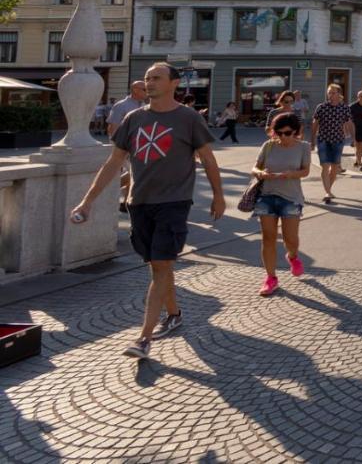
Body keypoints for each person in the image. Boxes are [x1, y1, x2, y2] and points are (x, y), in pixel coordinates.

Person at [68, 63, 224, 360]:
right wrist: (87, 201)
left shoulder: (188, 118)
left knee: (162, 265)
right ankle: (174, 314)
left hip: (174, 202)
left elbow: (207, 158)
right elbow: (113, 163)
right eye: (147, 78)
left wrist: (219, 196)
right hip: (139, 202)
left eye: (156, 78)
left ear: (174, 83)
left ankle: (144, 338)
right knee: (157, 267)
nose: (149, 83)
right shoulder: (133, 118)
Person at [253, 112, 312, 296]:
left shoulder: (303, 147)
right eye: (278, 133)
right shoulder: (268, 145)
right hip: (267, 196)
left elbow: (305, 171)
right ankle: (271, 278)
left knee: (290, 239)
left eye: (287, 133)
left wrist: (290, 174)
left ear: (296, 131)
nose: (282, 137)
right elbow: (255, 167)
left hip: (291, 198)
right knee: (268, 238)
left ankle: (292, 256)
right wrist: (260, 174)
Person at [107, 79, 148, 211]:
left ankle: (125, 202)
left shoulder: (145, 106)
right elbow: (113, 127)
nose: (147, 92)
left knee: (136, 173)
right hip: (124, 147)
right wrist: (119, 147)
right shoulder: (121, 106)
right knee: (134, 172)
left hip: (140, 146)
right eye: (144, 89)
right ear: (135, 89)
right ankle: (107, 190)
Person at [310, 84, 353, 205]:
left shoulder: (344, 108)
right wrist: (312, 141)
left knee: (334, 167)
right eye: (329, 92)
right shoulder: (321, 107)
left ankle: (328, 189)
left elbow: (349, 123)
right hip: (323, 140)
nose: (331, 95)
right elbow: (314, 124)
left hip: (338, 140)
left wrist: (353, 138)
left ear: (339, 94)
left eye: (333, 92)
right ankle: (327, 192)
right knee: (325, 166)